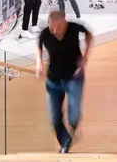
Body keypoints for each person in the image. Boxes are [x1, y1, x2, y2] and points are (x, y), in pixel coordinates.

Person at [36, 9, 93, 153]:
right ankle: (65, 141)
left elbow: (89, 34)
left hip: (74, 77)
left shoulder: (74, 28)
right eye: (51, 26)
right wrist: (39, 62)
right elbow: (39, 45)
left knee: (73, 118)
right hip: (53, 81)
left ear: (64, 22)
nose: (54, 31)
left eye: (57, 26)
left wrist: (85, 57)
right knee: (55, 119)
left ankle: (74, 121)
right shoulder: (45, 34)